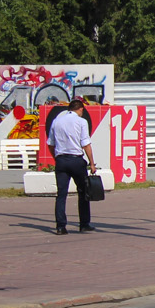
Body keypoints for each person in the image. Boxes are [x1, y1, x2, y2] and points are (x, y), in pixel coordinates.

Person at [50, 98, 96, 235]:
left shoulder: (56, 121)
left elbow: (50, 143)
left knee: (61, 194)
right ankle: (84, 224)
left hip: (61, 160)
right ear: (81, 109)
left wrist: (56, 158)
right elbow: (85, 143)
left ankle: (60, 226)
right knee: (83, 192)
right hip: (76, 160)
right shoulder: (81, 122)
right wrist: (92, 163)